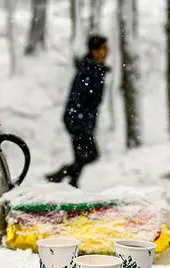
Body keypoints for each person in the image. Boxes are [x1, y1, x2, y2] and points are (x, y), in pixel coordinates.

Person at [46, 35, 110, 187]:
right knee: (90, 155)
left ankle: (68, 181)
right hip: (78, 120)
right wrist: (80, 123)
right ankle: (64, 176)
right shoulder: (88, 71)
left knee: (82, 157)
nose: (107, 52)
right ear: (94, 51)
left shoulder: (94, 69)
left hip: (82, 119)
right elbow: (79, 99)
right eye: (104, 48)